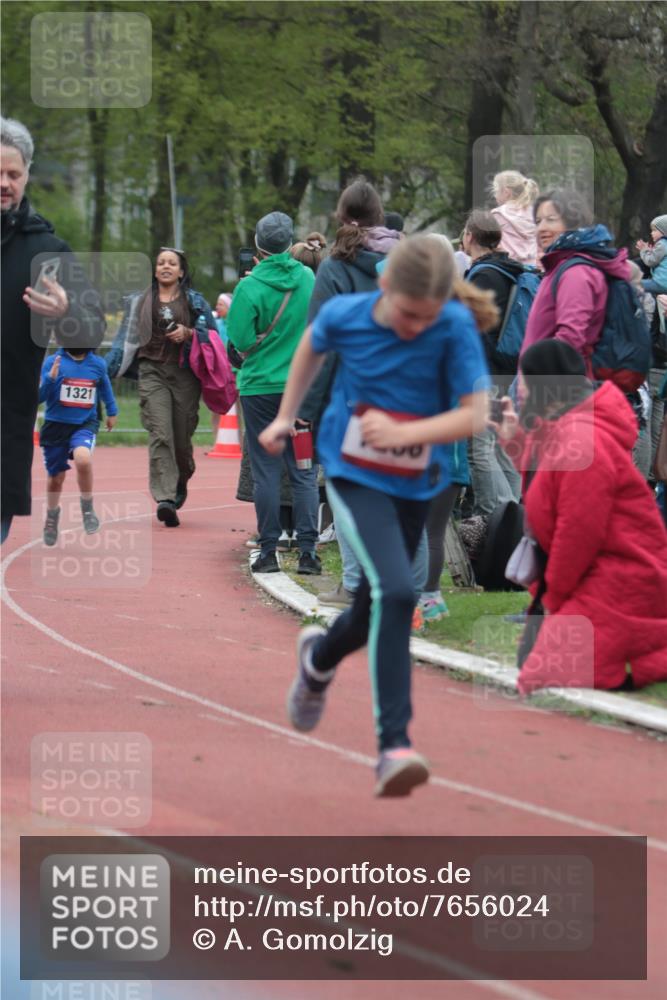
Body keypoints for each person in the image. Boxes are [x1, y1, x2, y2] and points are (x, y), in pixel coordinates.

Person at [259, 235, 491, 796]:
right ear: (385, 287)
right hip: (353, 470)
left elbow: (475, 415)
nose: (417, 327)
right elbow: (311, 346)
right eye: (409, 315)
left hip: (416, 479)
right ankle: (395, 747)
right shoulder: (347, 313)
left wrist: (408, 433)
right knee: (397, 590)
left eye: (427, 317)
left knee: (371, 606)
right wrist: (287, 416)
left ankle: (318, 659)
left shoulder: (453, 326)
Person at [494, 339, 667, 694]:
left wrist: (552, 596)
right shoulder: (569, 426)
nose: (520, 389)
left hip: (619, 578)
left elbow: (578, 533)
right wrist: (513, 439)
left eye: (525, 381)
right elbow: (547, 480)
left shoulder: (582, 437)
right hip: (603, 573)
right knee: (535, 669)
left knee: (543, 675)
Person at [1, 116, 105, 542]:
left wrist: (65, 312)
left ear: (27, 176)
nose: (5, 183)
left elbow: (91, 332)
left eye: (14, 173)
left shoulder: (47, 250)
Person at [303, 179, 402, 606]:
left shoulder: (334, 267)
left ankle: (355, 583)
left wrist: (306, 408)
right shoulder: (407, 263)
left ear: (341, 218)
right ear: (381, 217)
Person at [226, 211, 321, 575]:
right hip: (301, 389)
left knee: (265, 470)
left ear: (257, 246)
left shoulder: (248, 287)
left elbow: (241, 340)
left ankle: (268, 551)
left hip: (260, 389)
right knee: (303, 470)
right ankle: (308, 554)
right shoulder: (308, 278)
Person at [106, 247, 216, 527]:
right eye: (160, 263)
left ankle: (180, 478)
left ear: (181, 271)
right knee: (160, 432)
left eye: (172, 263)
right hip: (150, 371)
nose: (165, 267)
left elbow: (213, 335)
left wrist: (189, 333)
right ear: (155, 270)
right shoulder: (138, 301)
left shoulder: (195, 301)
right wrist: (100, 373)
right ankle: (165, 498)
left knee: (181, 439)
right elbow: (121, 342)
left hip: (184, 374)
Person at [521, 189, 631, 377]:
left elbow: (570, 338)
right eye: (538, 221)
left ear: (572, 221)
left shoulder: (575, 273)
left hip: (554, 390)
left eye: (551, 219)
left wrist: (537, 382)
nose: (541, 228)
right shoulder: (561, 265)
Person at [462, 211, 524, 515]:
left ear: (470, 237)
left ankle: (495, 517)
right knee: (499, 448)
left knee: (480, 449)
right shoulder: (507, 270)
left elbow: (474, 328)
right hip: (506, 369)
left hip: (484, 371)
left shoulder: (484, 274)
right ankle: (514, 515)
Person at [38, 347, 117, 544]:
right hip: (55, 425)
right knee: (56, 478)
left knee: (83, 459)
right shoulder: (52, 361)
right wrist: (50, 378)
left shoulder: (97, 363)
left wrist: (112, 410)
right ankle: (52, 515)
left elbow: (105, 387)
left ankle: (87, 508)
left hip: (84, 423)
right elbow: (39, 398)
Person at [490, 170, 539, 266]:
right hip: (532, 269)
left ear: (506, 192)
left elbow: (491, 245)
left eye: (496, 191)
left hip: (506, 268)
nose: (495, 196)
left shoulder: (497, 214)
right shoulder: (535, 213)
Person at [636, 215, 667, 294]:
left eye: (654, 230)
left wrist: (644, 250)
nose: (651, 233)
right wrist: (650, 251)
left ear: (664, 231)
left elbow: (650, 261)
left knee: (632, 285)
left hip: (661, 283)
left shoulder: (662, 244)